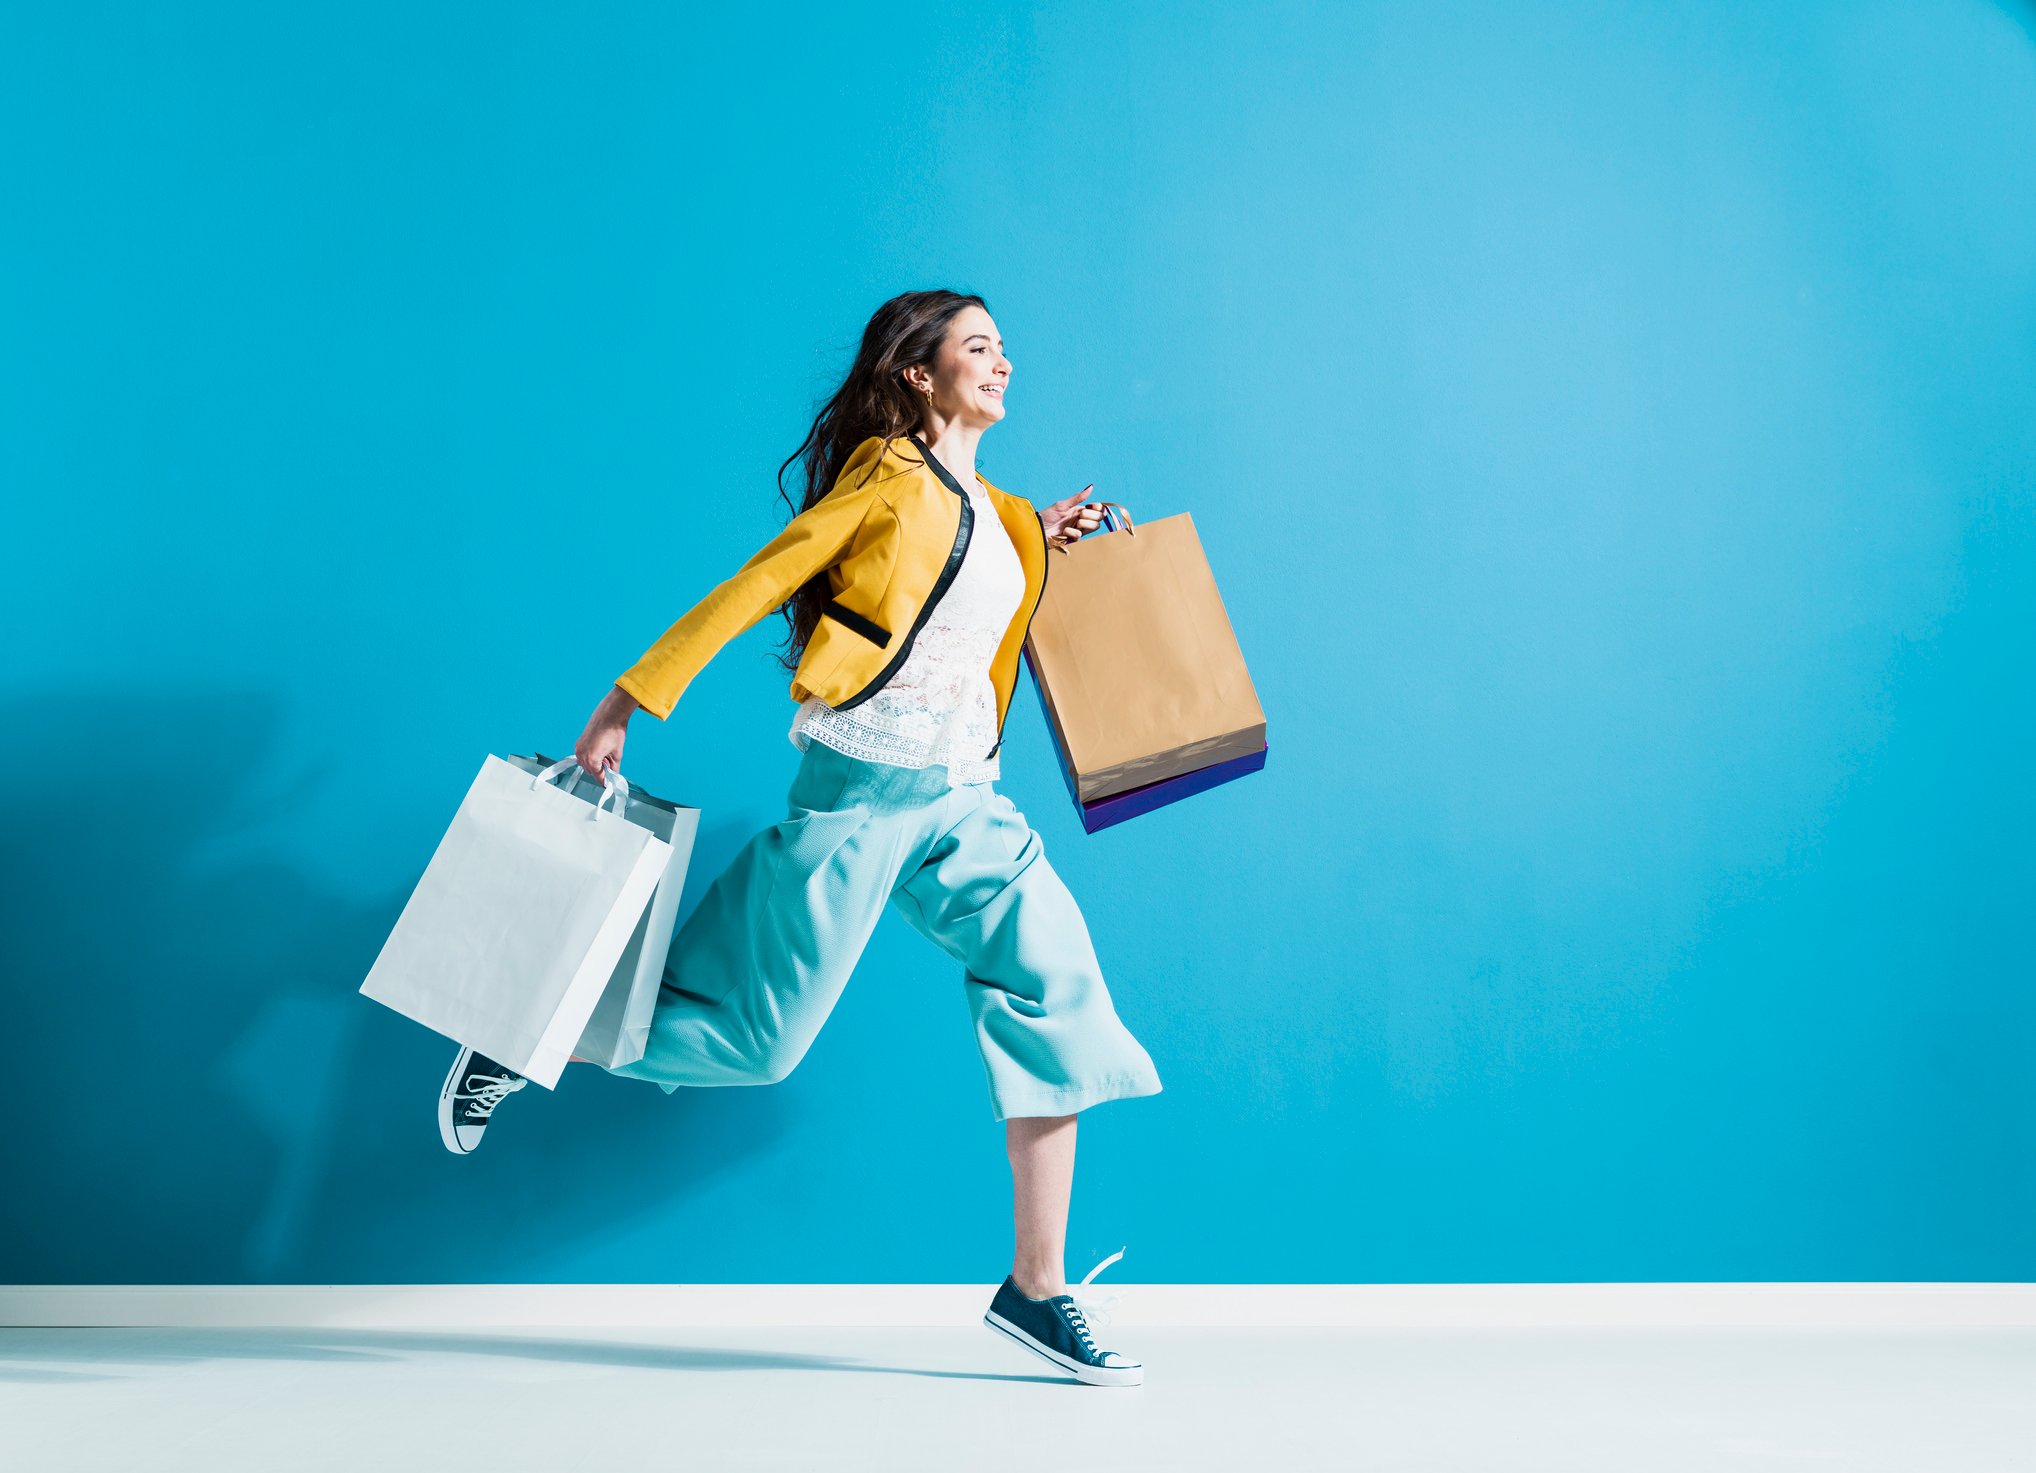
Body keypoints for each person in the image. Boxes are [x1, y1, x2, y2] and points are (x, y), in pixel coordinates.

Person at [436, 289, 1161, 1387]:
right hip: (863, 794)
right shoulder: (886, 475)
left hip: (966, 799)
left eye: (1004, 348)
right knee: (757, 1046)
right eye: (978, 347)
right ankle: (530, 1033)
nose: (1002, 362)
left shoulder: (998, 509)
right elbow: (764, 577)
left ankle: (1037, 1287)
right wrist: (631, 697)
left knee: (1058, 989)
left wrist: (1041, 537)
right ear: (917, 372)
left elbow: (971, 563)